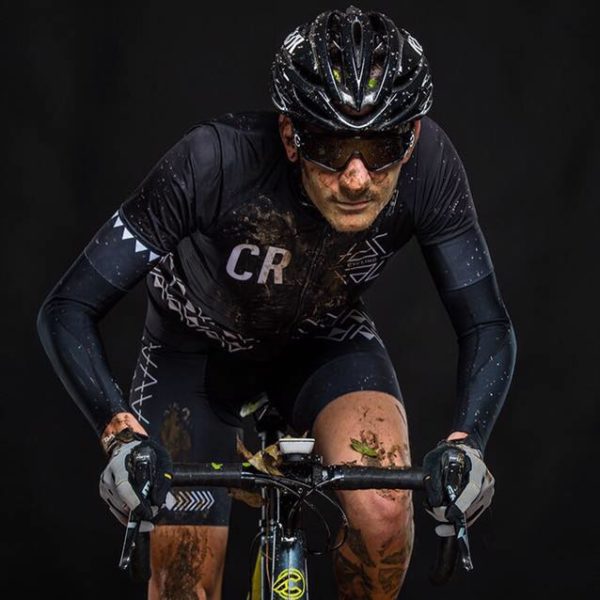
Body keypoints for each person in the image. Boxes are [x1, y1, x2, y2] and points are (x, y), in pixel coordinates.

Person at [37, 5, 516, 599]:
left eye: (381, 146)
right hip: (195, 356)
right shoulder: (212, 161)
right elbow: (67, 307)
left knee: (386, 513)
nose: (357, 178)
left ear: (412, 137)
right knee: (185, 585)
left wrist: (468, 444)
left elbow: (486, 322)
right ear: (291, 136)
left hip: (323, 343)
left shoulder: (432, 168)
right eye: (331, 147)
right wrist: (119, 435)